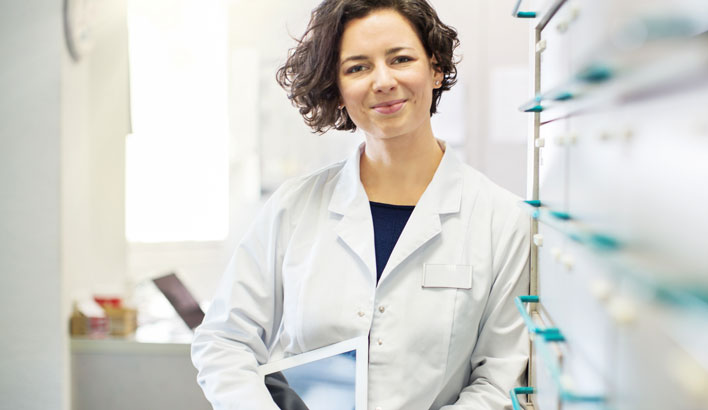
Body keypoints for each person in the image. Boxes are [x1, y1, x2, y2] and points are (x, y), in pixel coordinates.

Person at [190, 0, 531, 408]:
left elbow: (498, 382)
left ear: (435, 68)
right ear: (337, 90)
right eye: (357, 67)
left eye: (400, 59)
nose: (383, 81)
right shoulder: (294, 208)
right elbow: (225, 341)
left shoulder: (502, 220)